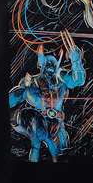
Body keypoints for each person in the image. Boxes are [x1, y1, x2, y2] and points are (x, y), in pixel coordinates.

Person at [9, 30, 85, 162]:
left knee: (60, 152)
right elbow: (15, 98)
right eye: (47, 64)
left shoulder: (61, 81)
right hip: (36, 126)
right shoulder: (31, 84)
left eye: (52, 65)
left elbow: (78, 80)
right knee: (37, 144)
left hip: (56, 128)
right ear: (41, 63)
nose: (49, 70)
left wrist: (76, 61)